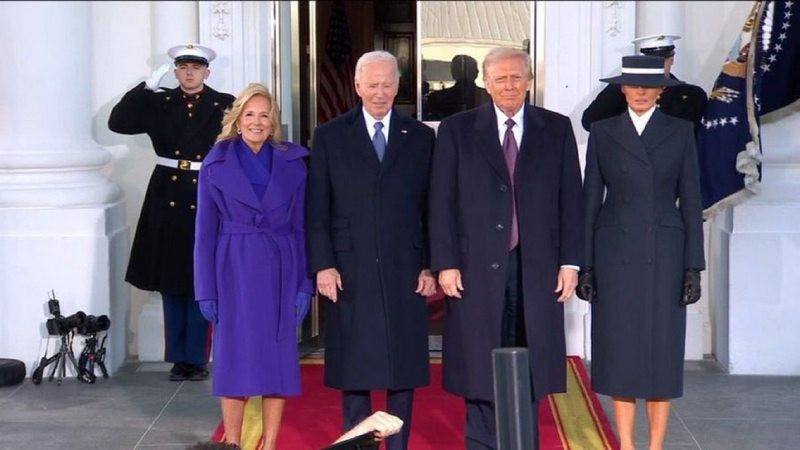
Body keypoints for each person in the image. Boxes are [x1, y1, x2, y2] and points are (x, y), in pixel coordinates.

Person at [428, 47, 584, 449]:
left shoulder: (557, 128)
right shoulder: (457, 130)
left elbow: (572, 200)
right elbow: (440, 201)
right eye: (500, 78)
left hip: (537, 266)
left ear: (530, 81)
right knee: (480, 359)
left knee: (531, 358)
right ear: (485, 82)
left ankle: (521, 441)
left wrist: (571, 262)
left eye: (517, 77)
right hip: (474, 264)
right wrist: (444, 263)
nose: (509, 86)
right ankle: (481, 443)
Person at [305, 50, 436, 450]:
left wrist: (431, 265)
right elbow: (316, 208)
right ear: (357, 86)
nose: (380, 93)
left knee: (403, 367)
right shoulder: (329, 135)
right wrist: (323, 264)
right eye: (372, 85)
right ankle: (357, 445)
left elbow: (432, 206)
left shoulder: (421, 137)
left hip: (406, 266)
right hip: (349, 266)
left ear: (399, 86)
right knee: (354, 367)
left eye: (387, 84)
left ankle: (399, 445)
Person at [577, 55, 705, 450]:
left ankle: (656, 447)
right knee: (620, 351)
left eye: (647, 86)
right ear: (622, 88)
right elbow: (589, 201)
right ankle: (628, 445)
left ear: (662, 90)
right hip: (613, 252)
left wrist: (693, 268)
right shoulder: (603, 131)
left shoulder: (682, 131)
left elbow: (691, 201)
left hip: (666, 252)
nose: (639, 93)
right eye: (632, 86)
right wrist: (586, 265)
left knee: (661, 353)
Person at [193, 83, 313, 449]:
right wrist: (205, 290)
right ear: (237, 119)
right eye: (250, 114)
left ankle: (270, 444)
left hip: (281, 269)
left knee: (277, 366)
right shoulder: (216, 162)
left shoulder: (294, 161)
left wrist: (303, 284)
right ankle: (233, 443)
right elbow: (204, 234)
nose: (257, 122)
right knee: (234, 367)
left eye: (265, 115)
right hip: (234, 272)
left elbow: (301, 227)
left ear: (273, 120)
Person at [108, 44, 234, 381]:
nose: (189, 73)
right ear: (175, 71)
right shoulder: (159, 102)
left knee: (200, 278)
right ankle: (179, 357)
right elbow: (118, 123)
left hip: (208, 189)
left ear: (207, 72)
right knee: (169, 279)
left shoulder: (225, 103)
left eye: (196, 67)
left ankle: (196, 356)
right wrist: (145, 86)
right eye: (183, 67)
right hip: (166, 192)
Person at [581, 34, 707, 131]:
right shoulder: (623, 89)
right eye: (652, 60)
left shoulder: (692, 95)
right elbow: (589, 122)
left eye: (662, 60)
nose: (657, 65)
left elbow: (699, 137)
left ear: (671, 60)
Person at [424, 54, 490, 121]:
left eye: (469, 71)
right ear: (476, 73)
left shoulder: (438, 97)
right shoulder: (437, 98)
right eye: (460, 71)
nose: (465, 76)